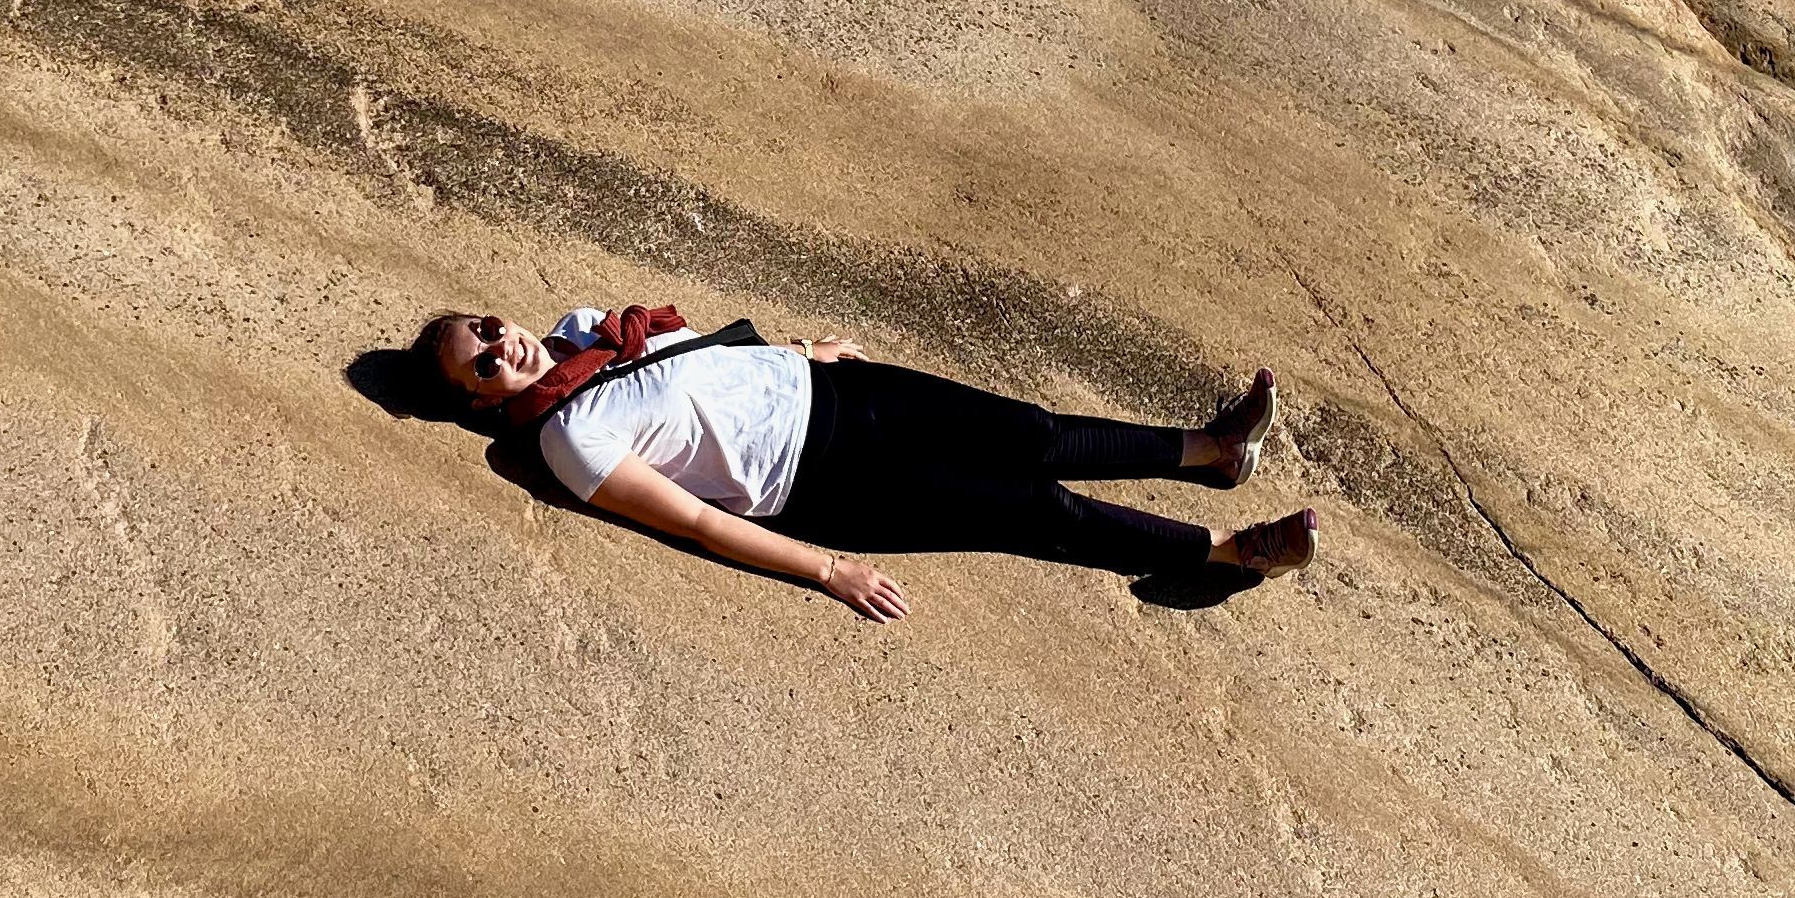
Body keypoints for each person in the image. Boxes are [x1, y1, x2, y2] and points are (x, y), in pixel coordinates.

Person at [414, 302, 1316, 622]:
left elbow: (704, 357)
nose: (504, 347)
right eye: (482, 363)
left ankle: (1214, 449)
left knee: (1031, 431)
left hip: (838, 391)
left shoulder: (583, 332)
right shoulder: (571, 442)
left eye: (488, 328)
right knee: (1032, 509)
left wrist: (800, 348)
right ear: (480, 402)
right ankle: (1230, 551)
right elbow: (693, 521)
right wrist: (826, 568)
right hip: (822, 476)